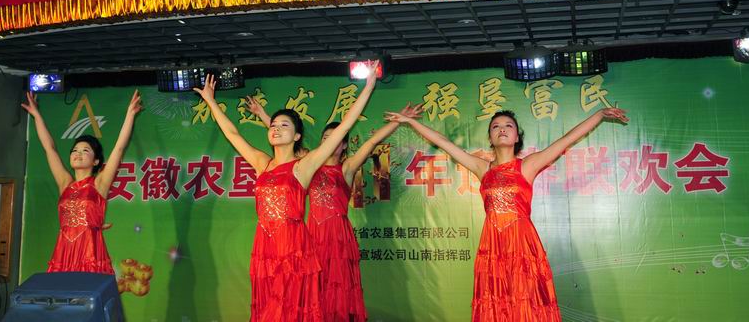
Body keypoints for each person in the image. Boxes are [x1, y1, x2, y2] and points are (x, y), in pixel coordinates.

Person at [386, 106, 628, 321]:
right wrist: (411, 122)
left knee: (527, 301)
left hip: (522, 245)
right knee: (495, 302)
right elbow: (443, 142)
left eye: (508, 125)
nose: (502, 129)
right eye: (496, 126)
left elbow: (566, 140)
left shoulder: (528, 165)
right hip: (492, 246)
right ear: (490, 137)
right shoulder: (482, 168)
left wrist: (599, 115)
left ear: (517, 137)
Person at [193, 64, 380, 322]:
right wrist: (211, 101)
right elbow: (232, 134)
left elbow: (344, 127)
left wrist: (369, 86)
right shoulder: (262, 163)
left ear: (297, 136)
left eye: (284, 125)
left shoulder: (304, 166)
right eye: (273, 125)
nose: (276, 128)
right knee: (268, 308)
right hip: (264, 244)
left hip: (293, 246)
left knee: (290, 309)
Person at [248, 96, 423, 322]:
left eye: (334, 138)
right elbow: (285, 141)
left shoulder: (346, 168)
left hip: (337, 237)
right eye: (325, 138)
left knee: (336, 288)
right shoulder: (307, 163)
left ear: (343, 144)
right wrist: (263, 115)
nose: (329, 141)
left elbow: (371, 143)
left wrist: (398, 121)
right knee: (308, 288)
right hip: (310, 236)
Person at [21, 90, 143, 274]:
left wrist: (130, 114)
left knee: (87, 290)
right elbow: (49, 148)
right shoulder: (65, 183)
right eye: (74, 150)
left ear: (96, 161)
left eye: (85, 151)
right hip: (64, 251)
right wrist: (36, 115)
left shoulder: (99, 184)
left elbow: (119, 148)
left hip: (90, 252)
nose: (77, 154)